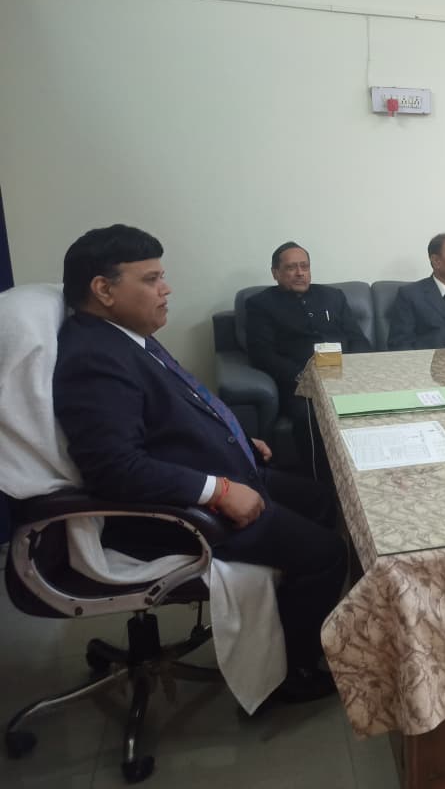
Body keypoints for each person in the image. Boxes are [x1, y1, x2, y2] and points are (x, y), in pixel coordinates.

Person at [53, 225, 346, 705]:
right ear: (103, 289)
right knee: (327, 554)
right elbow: (115, 468)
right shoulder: (95, 359)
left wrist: (238, 438)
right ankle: (291, 674)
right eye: (151, 279)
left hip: (220, 471)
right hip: (178, 514)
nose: (166, 289)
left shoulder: (127, 337)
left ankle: (288, 617)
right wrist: (220, 491)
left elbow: (178, 408)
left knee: (322, 499)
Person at [246, 242, 372, 471]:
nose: (300, 273)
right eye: (291, 267)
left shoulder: (333, 296)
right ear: (275, 273)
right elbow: (261, 354)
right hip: (301, 384)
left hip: (346, 375)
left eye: (304, 266)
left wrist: (358, 368)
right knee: (311, 417)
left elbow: (357, 338)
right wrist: (303, 376)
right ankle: (320, 480)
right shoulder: (260, 304)